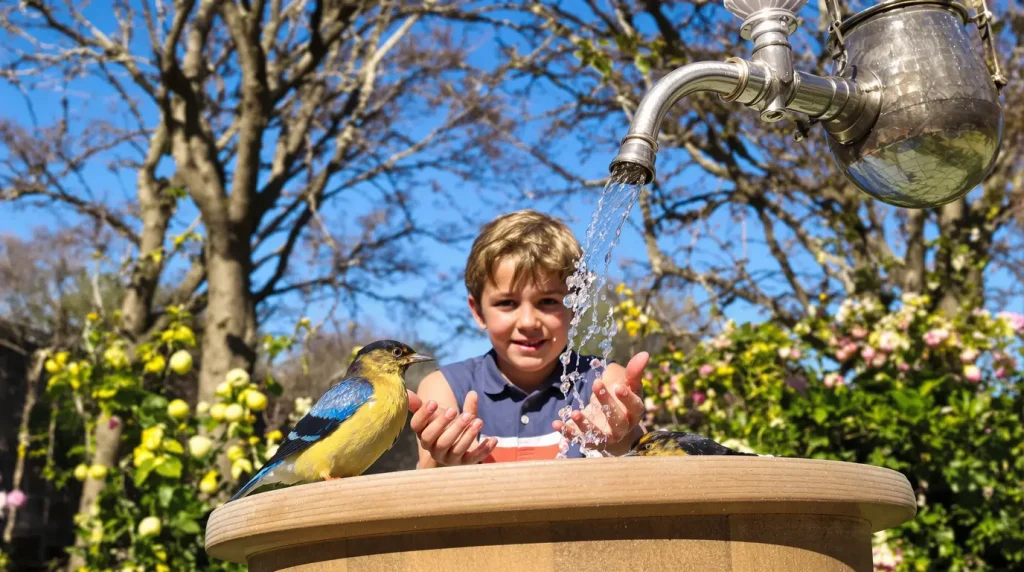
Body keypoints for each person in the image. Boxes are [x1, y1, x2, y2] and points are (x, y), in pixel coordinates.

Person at [411, 209, 649, 468]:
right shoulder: (445, 388)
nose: (528, 322)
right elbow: (426, 475)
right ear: (478, 311)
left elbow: (643, 468)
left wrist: (621, 437)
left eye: (548, 301)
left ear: (576, 308)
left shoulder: (602, 383)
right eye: (507, 303)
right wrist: (444, 458)